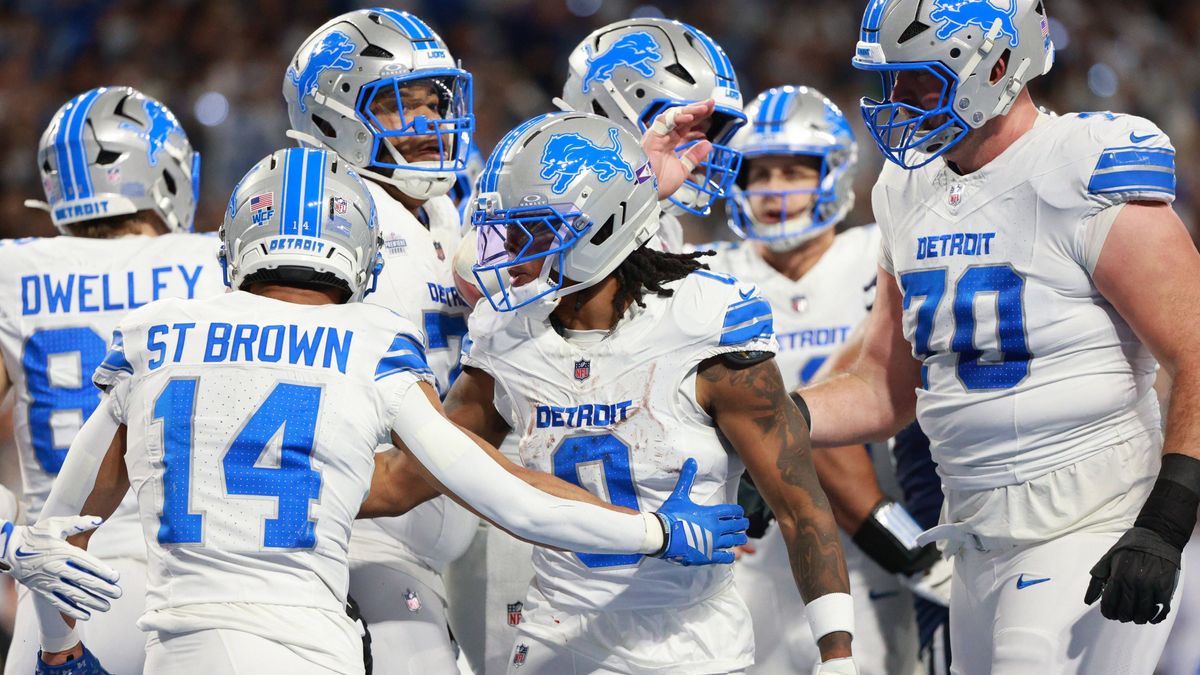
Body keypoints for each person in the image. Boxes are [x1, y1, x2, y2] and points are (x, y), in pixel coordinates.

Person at [29, 146, 748, 674]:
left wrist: (59, 649)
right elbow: (509, 498)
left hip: (175, 644)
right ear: (357, 250)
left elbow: (57, 529)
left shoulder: (158, 332)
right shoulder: (368, 341)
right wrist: (653, 530)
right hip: (305, 647)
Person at [793, 0, 1200, 672]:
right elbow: (885, 384)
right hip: (973, 535)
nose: (900, 98)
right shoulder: (903, 187)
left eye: (922, 77)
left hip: (1089, 523)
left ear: (1000, 63)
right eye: (892, 79)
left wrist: (1165, 521)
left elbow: (1194, 348)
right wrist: (779, 418)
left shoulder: (1081, 168)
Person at [437, 108, 857, 674]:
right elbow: (439, 458)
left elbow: (801, 505)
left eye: (531, 227)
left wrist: (836, 654)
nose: (509, 247)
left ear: (602, 227)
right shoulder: (507, 332)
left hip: (692, 647)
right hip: (554, 638)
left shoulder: (704, 320)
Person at [709, 84, 936, 674]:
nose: (776, 189)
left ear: (834, 172)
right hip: (750, 548)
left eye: (793, 171)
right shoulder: (709, 277)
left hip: (867, 540)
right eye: (760, 174)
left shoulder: (877, 258)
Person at [1, 85, 224, 674]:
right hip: (211, 578)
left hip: (65, 591)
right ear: (167, 175)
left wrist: (5, 539)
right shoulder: (219, 260)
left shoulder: (12, 271)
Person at [282, 9, 478, 671]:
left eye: (436, 102)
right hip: (354, 538)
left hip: (434, 527)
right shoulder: (326, 220)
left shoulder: (450, 213)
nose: (431, 122)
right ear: (334, 115)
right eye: (400, 105)